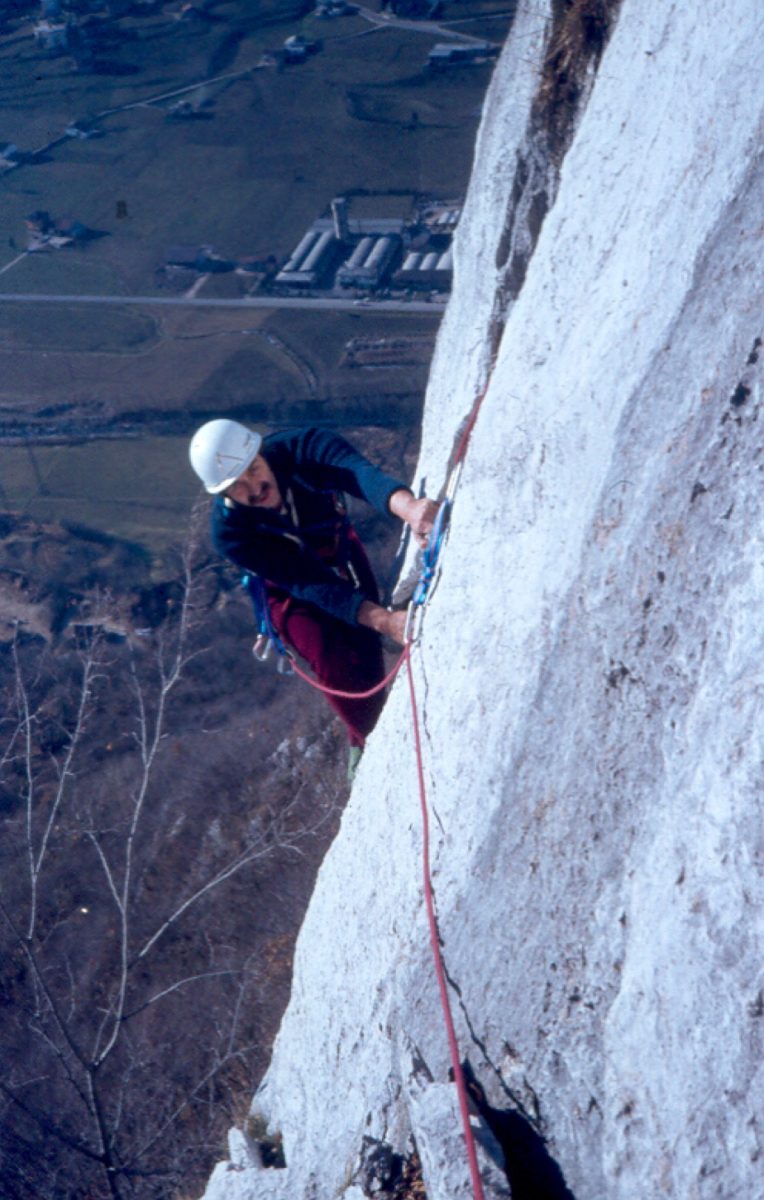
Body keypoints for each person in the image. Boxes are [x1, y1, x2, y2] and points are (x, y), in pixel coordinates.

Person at [189, 420, 438, 755]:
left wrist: (409, 508)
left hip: (339, 550)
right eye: (237, 485)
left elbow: (357, 474)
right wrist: (382, 620)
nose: (254, 486)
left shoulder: (305, 448)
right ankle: (369, 742)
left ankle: (368, 728)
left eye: (254, 469)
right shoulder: (230, 532)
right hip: (288, 589)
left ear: (262, 452)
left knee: (366, 648)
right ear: (223, 494)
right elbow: (304, 579)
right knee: (329, 656)